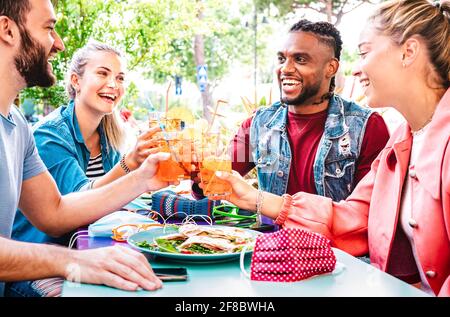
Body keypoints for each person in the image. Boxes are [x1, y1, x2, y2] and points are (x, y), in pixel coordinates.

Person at [216, 0, 450, 296]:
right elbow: (354, 219)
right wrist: (253, 197)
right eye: (282, 58)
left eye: (365, 52)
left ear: (409, 52)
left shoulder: (370, 126)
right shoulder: (402, 142)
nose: (357, 69)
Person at [0, 0, 172, 296]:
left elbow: (54, 213)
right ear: (8, 30)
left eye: (119, 77)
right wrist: (74, 261)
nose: (60, 44)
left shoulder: (17, 125)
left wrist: (144, 178)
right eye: (49, 28)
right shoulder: (48, 133)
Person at [205, 20, 390, 210]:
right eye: (281, 59)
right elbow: (215, 183)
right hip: (268, 240)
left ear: (331, 68)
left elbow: (369, 212)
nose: (285, 69)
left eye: (300, 59)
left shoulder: (367, 127)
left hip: (332, 240)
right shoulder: (258, 124)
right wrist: (196, 169)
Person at [12, 40, 161, 247]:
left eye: (120, 78)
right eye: (102, 73)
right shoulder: (50, 136)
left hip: (86, 245)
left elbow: (115, 197)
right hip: (41, 257)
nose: (113, 84)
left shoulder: (109, 135)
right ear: (76, 81)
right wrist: (130, 164)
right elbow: (81, 198)